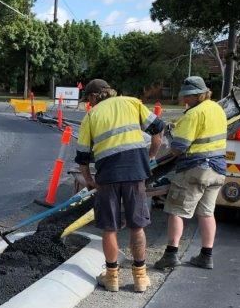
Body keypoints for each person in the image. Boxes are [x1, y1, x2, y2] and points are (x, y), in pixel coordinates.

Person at [75, 78, 165, 293]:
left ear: (95, 96)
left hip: (108, 176)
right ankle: (140, 277)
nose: (89, 103)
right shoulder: (133, 103)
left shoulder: (92, 116)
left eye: (89, 98)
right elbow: (159, 131)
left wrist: (89, 180)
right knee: (137, 225)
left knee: (109, 227)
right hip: (135, 173)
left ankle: (112, 277)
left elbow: (83, 157)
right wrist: (150, 157)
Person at [153, 76, 227, 271]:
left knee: (176, 210)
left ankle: (171, 254)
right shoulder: (217, 109)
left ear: (198, 95)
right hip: (217, 169)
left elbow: (179, 148)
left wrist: (166, 147)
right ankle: (206, 256)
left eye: (188, 96)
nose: (185, 100)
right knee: (207, 213)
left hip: (195, 168)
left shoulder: (193, 114)